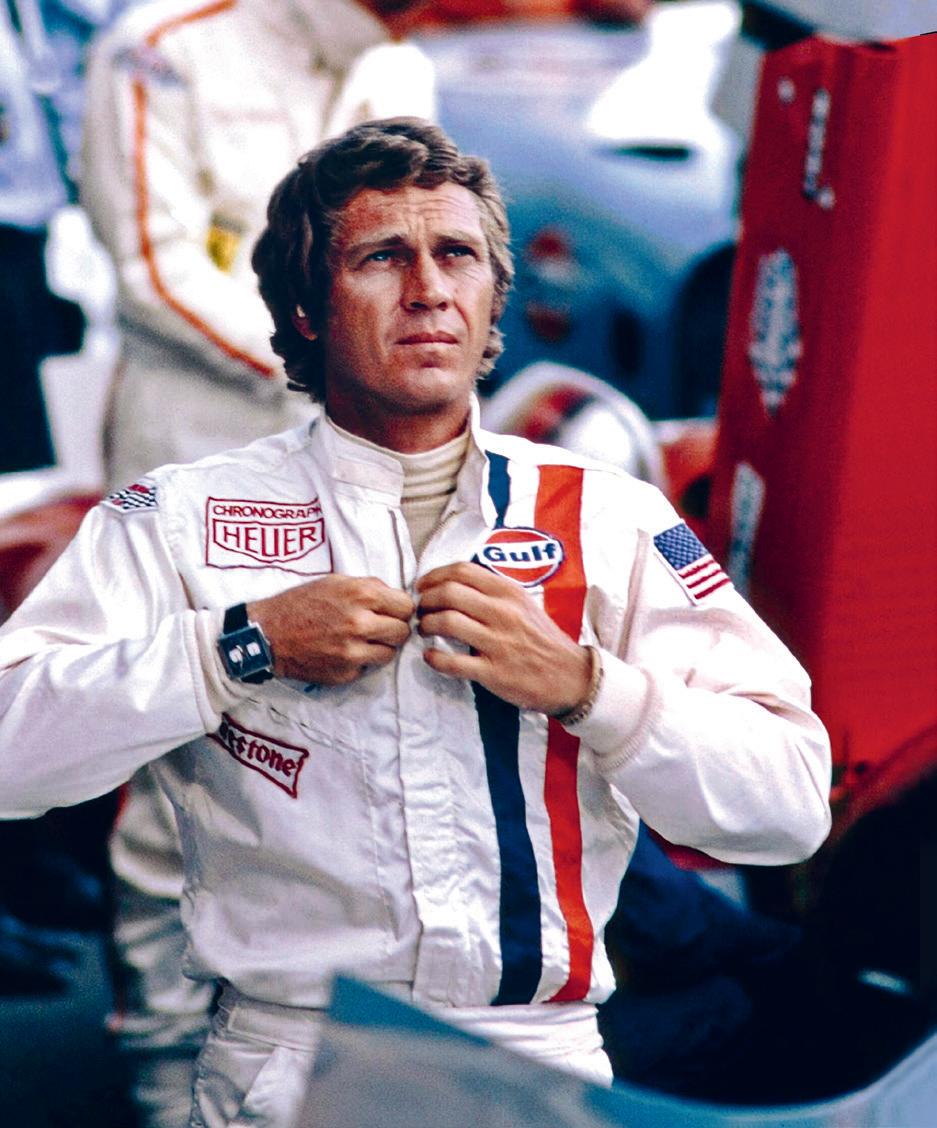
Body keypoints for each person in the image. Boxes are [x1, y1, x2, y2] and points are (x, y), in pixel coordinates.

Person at [0, 117, 831, 1127]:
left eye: (458, 256)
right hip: (290, 1062)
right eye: (383, 257)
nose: (429, 289)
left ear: (492, 301)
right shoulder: (181, 517)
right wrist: (237, 648)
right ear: (305, 309)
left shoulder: (608, 516)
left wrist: (588, 689)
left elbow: (789, 806)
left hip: (542, 1060)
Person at [78, 4, 434, 1123]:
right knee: (183, 761)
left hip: (356, 458)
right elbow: (151, 268)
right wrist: (330, 360)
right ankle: (167, 1063)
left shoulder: (403, 63)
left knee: (346, 758)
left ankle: (307, 1061)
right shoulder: (163, 45)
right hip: (195, 458)